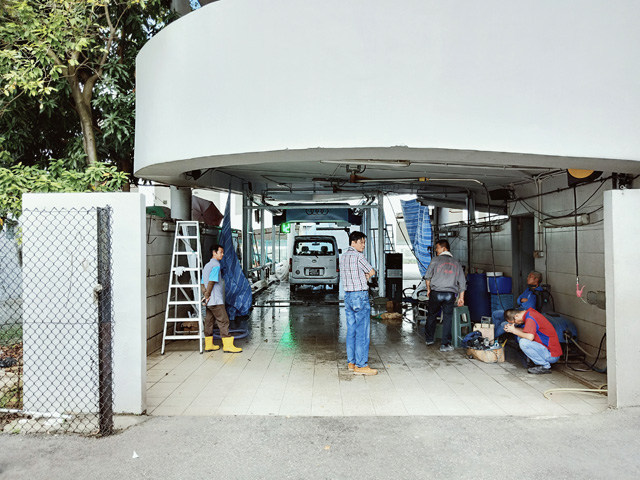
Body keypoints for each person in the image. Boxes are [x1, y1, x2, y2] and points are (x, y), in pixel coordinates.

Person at [341, 231, 377, 375]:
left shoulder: (343, 257)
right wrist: (367, 275)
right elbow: (372, 271)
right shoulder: (358, 256)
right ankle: (361, 365)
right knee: (362, 331)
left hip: (348, 296)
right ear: (353, 242)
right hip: (360, 296)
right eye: (361, 242)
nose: (363, 245)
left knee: (351, 330)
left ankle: (352, 362)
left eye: (364, 242)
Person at [424, 239, 466, 352]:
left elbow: (427, 277)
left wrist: (428, 289)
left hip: (436, 292)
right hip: (449, 294)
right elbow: (462, 282)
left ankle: (429, 339)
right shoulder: (456, 263)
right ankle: (445, 344)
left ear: (443, 248)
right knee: (448, 318)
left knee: (431, 315)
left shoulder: (435, 260)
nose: (436, 250)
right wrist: (461, 298)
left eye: (437, 248)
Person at [201, 244, 242, 353]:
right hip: (215, 299)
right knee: (223, 321)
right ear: (214, 253)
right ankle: (228, 345)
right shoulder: (216, 265)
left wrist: (205, 295)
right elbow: (211, 282)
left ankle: (208, 345)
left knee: (209, 321)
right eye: (221, 252)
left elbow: (202, 283)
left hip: (209, 300)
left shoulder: (206, 266)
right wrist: (207, 295)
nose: (223, 254)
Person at [504, 308, 562, 374]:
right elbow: (526, 331)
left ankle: (544, 366)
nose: (515, 324)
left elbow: (529, 337)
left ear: (516, 316)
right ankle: (535, 361)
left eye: (514, 322)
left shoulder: (530, 318)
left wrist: (513, 330)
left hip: (551, 355)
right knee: (520, 338)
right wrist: (512, 329)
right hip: (548, 351)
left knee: (523, 342)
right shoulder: (530, 313)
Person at [492, 271, 543, 338]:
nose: (527, 278)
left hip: (522, 317)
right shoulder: (528, 290)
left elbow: (528, 306)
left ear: (536, 279)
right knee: (496, 313)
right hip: (517, 311)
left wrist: (522, 301)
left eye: (530, 277)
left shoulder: (537, 292)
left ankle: (492, 339)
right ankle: (497, 336)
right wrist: (522, 300)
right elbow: (518, 299)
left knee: (503, 324)